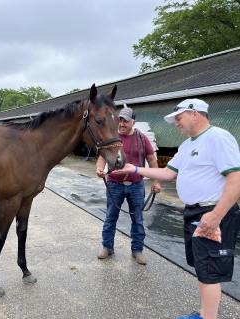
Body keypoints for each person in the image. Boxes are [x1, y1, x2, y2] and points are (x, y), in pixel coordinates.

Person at [113, 99, 240, 319]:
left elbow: (236, 178)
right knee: (202, 267)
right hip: (194, 212)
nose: (176, 124)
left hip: (212, 213)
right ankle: (204, 313)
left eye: (179, 118)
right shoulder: (188, 144)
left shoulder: (218, 137)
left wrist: (216, 216)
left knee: (210, 270)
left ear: (195, 114)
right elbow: (169, 173)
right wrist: (133, 168)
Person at [96, 107, 161, 265]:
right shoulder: (113, 137)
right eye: (120, 120)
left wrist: (156, 181)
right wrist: (99, 168)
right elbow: (102, 157)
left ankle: (137, 250)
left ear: (133, 122)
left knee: (137, 219)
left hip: (136, 185)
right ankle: (107, 247)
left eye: (125, 120)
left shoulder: (142, 138)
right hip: (114, 184)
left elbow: (152, 160)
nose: (122, 123)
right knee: (110, 217)